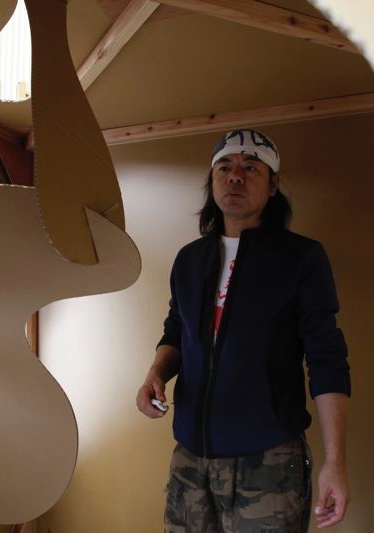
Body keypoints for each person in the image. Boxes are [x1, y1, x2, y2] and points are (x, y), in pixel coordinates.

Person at [136, 129, 351, 532]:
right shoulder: (189, 259)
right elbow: (176, 331)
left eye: (251, 168)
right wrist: (156, 373)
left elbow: (327, 359)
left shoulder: (301, 258)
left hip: (268, 461)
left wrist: (335, 463)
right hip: (189, 459)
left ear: (273, 185)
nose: (235, 175)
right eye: (225, 167)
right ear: (212, 179)